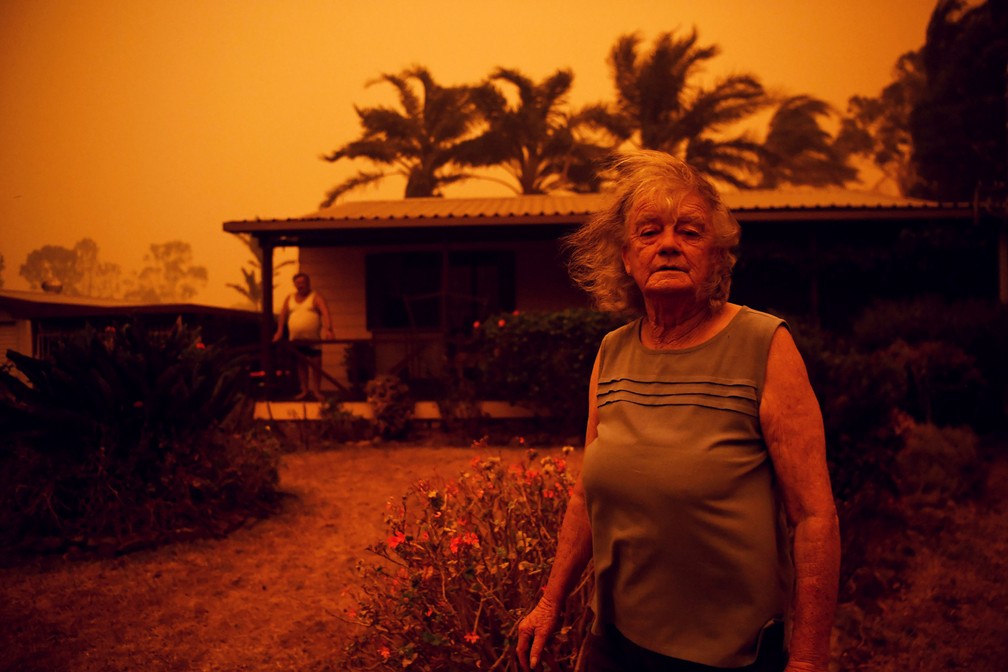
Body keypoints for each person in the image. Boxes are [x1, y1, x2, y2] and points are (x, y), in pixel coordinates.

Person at [516, 151, 840, 672]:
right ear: (626, 256)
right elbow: (585, 494)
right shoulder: (613, 352)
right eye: (649, 232)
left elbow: (814, 517)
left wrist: (807, 660)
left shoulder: (763, 344)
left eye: (689, 231)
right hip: (614, 642)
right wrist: (550, 601)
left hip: (727, 655)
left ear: (716, 257)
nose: (668, 244)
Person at [273, 272, 334, 400]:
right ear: (295, 284)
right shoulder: (289, 298)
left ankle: (317, 391)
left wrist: (329, 329)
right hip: (296, 339)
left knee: (316, 365)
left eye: (303, 282)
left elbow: (325, 312)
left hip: (313, 339)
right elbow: (283, 315)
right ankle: (304, 390)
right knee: (301, 365)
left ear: (308, 283)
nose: (301, 285)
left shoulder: (315, 297)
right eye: (298, 283)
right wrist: (279, 332)